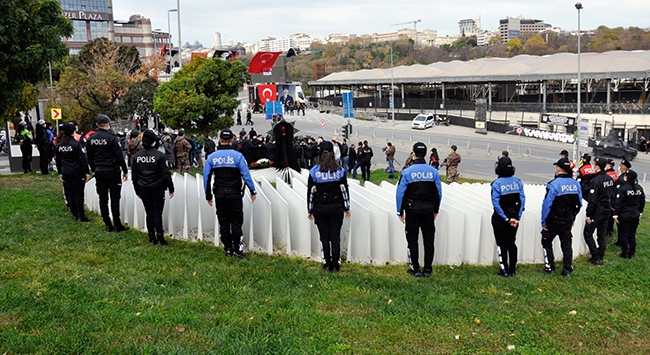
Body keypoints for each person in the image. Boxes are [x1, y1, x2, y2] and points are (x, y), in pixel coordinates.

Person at [203, 129, 257, 258]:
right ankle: (237, 249)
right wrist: (252, 190)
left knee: (224, 222)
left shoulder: (212, 157)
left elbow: (206, 177)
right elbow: (246, 175)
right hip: (235, 193)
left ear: (220, 140)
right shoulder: (238, 156)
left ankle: (227, 248)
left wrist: (208, 195)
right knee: (236, 221)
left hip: (220, 194)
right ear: (232, 140)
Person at [396, 142, 442, 278]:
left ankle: (415, 269)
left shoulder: (407, 172)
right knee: (429, 240)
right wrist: (436, 210)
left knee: (412, 239)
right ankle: (427, 269)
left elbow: (400, 193)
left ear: (414, 154)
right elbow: (438, 193)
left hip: (412, 209)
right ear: (426, 154)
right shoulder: (433, 172)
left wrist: (400, 211)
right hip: (428, 209)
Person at [307, 141, 351, 272]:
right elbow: (344, 191)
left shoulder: (314, 172)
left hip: (320, 207)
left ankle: (326, 262)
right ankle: (336, 264)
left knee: (324, 237)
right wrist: (347, 208)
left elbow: (311, 193)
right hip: (336, 207)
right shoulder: (340, 171)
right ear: (333, 153)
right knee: (335, 236)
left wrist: (310, 210)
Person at [86, 114, 130, 232]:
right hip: (112, 171)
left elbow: (89, 157)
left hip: (99, 171)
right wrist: (125, 170)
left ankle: (107, 224)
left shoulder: (91, 139)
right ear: (107, 124)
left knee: (102, 198)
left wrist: (94, 169)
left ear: (97, 124)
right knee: (115, 198)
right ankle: (117, 224)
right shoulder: (112, 137)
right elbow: (119, 156)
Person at [132, 130, 175, 246]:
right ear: (153, 142)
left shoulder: (137, 156)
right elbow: (166, 174)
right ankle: (160, 237)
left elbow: (134, 176)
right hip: (157, 188)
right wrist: (171, 188)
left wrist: (137, 190)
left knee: (149, 213)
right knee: (157, 214)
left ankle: (151, 237)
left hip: (143, 188)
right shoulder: (159, 155)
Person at [540, 158, 583, 276]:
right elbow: (579, 203)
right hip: (568, 220)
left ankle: (550, 267)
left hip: (554, 220)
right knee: (567, 245)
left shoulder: (553, 185)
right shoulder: (576, 184)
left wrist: (544, 222)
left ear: (558, 168)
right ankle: (567, 268)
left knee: (546, 242)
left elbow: (547, 205)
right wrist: (573, 216)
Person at [490, 156, 525, 277]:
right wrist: (516, 218)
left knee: (501, 244)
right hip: (514, 217)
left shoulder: (496, 184)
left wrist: (505, 218)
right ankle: (513, 270)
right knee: (511, 243)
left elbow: (496, 203)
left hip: (501, 218)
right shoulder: (518, 182)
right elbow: (522, 201)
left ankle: (504, 270)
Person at [56, 122, 91, 222]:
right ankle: (81, 215)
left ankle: (75, 215)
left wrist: (60, 173)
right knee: (78, 194)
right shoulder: (76, 145)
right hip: (77, 172)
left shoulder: (59, 146)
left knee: (70, 194)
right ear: (73, 132)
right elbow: (83, 160)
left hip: (66, 173)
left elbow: (58, 161)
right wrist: (87, 172)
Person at [583, 157, 614, 266]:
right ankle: (601, 254)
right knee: (601, 234)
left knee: (587, 233)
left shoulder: (595, 181)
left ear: (597, 165)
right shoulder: (609, 179)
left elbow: (592, 200)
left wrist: (589, 215)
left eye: (594, 164)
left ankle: (595, 256)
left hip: (597, 211)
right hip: (607, 209)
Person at [613, 170, 645, 259]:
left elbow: (618, 203)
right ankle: (631, 253)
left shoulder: (623, 189)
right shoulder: (639, 188)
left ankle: (624, 252)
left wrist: (615, 214)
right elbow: (642, 201)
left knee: (623, 234)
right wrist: (640, 212)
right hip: (635, 214)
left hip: (625, 215)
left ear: (626, 177)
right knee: (632, 234)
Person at [613, 160, 631, 246]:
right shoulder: (623, 175)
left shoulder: (626, 177)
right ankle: (620, 240)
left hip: (623, 203)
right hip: (621, 202)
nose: (619, 166)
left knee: (622, 224)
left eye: (621, 165)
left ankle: (622, 242)